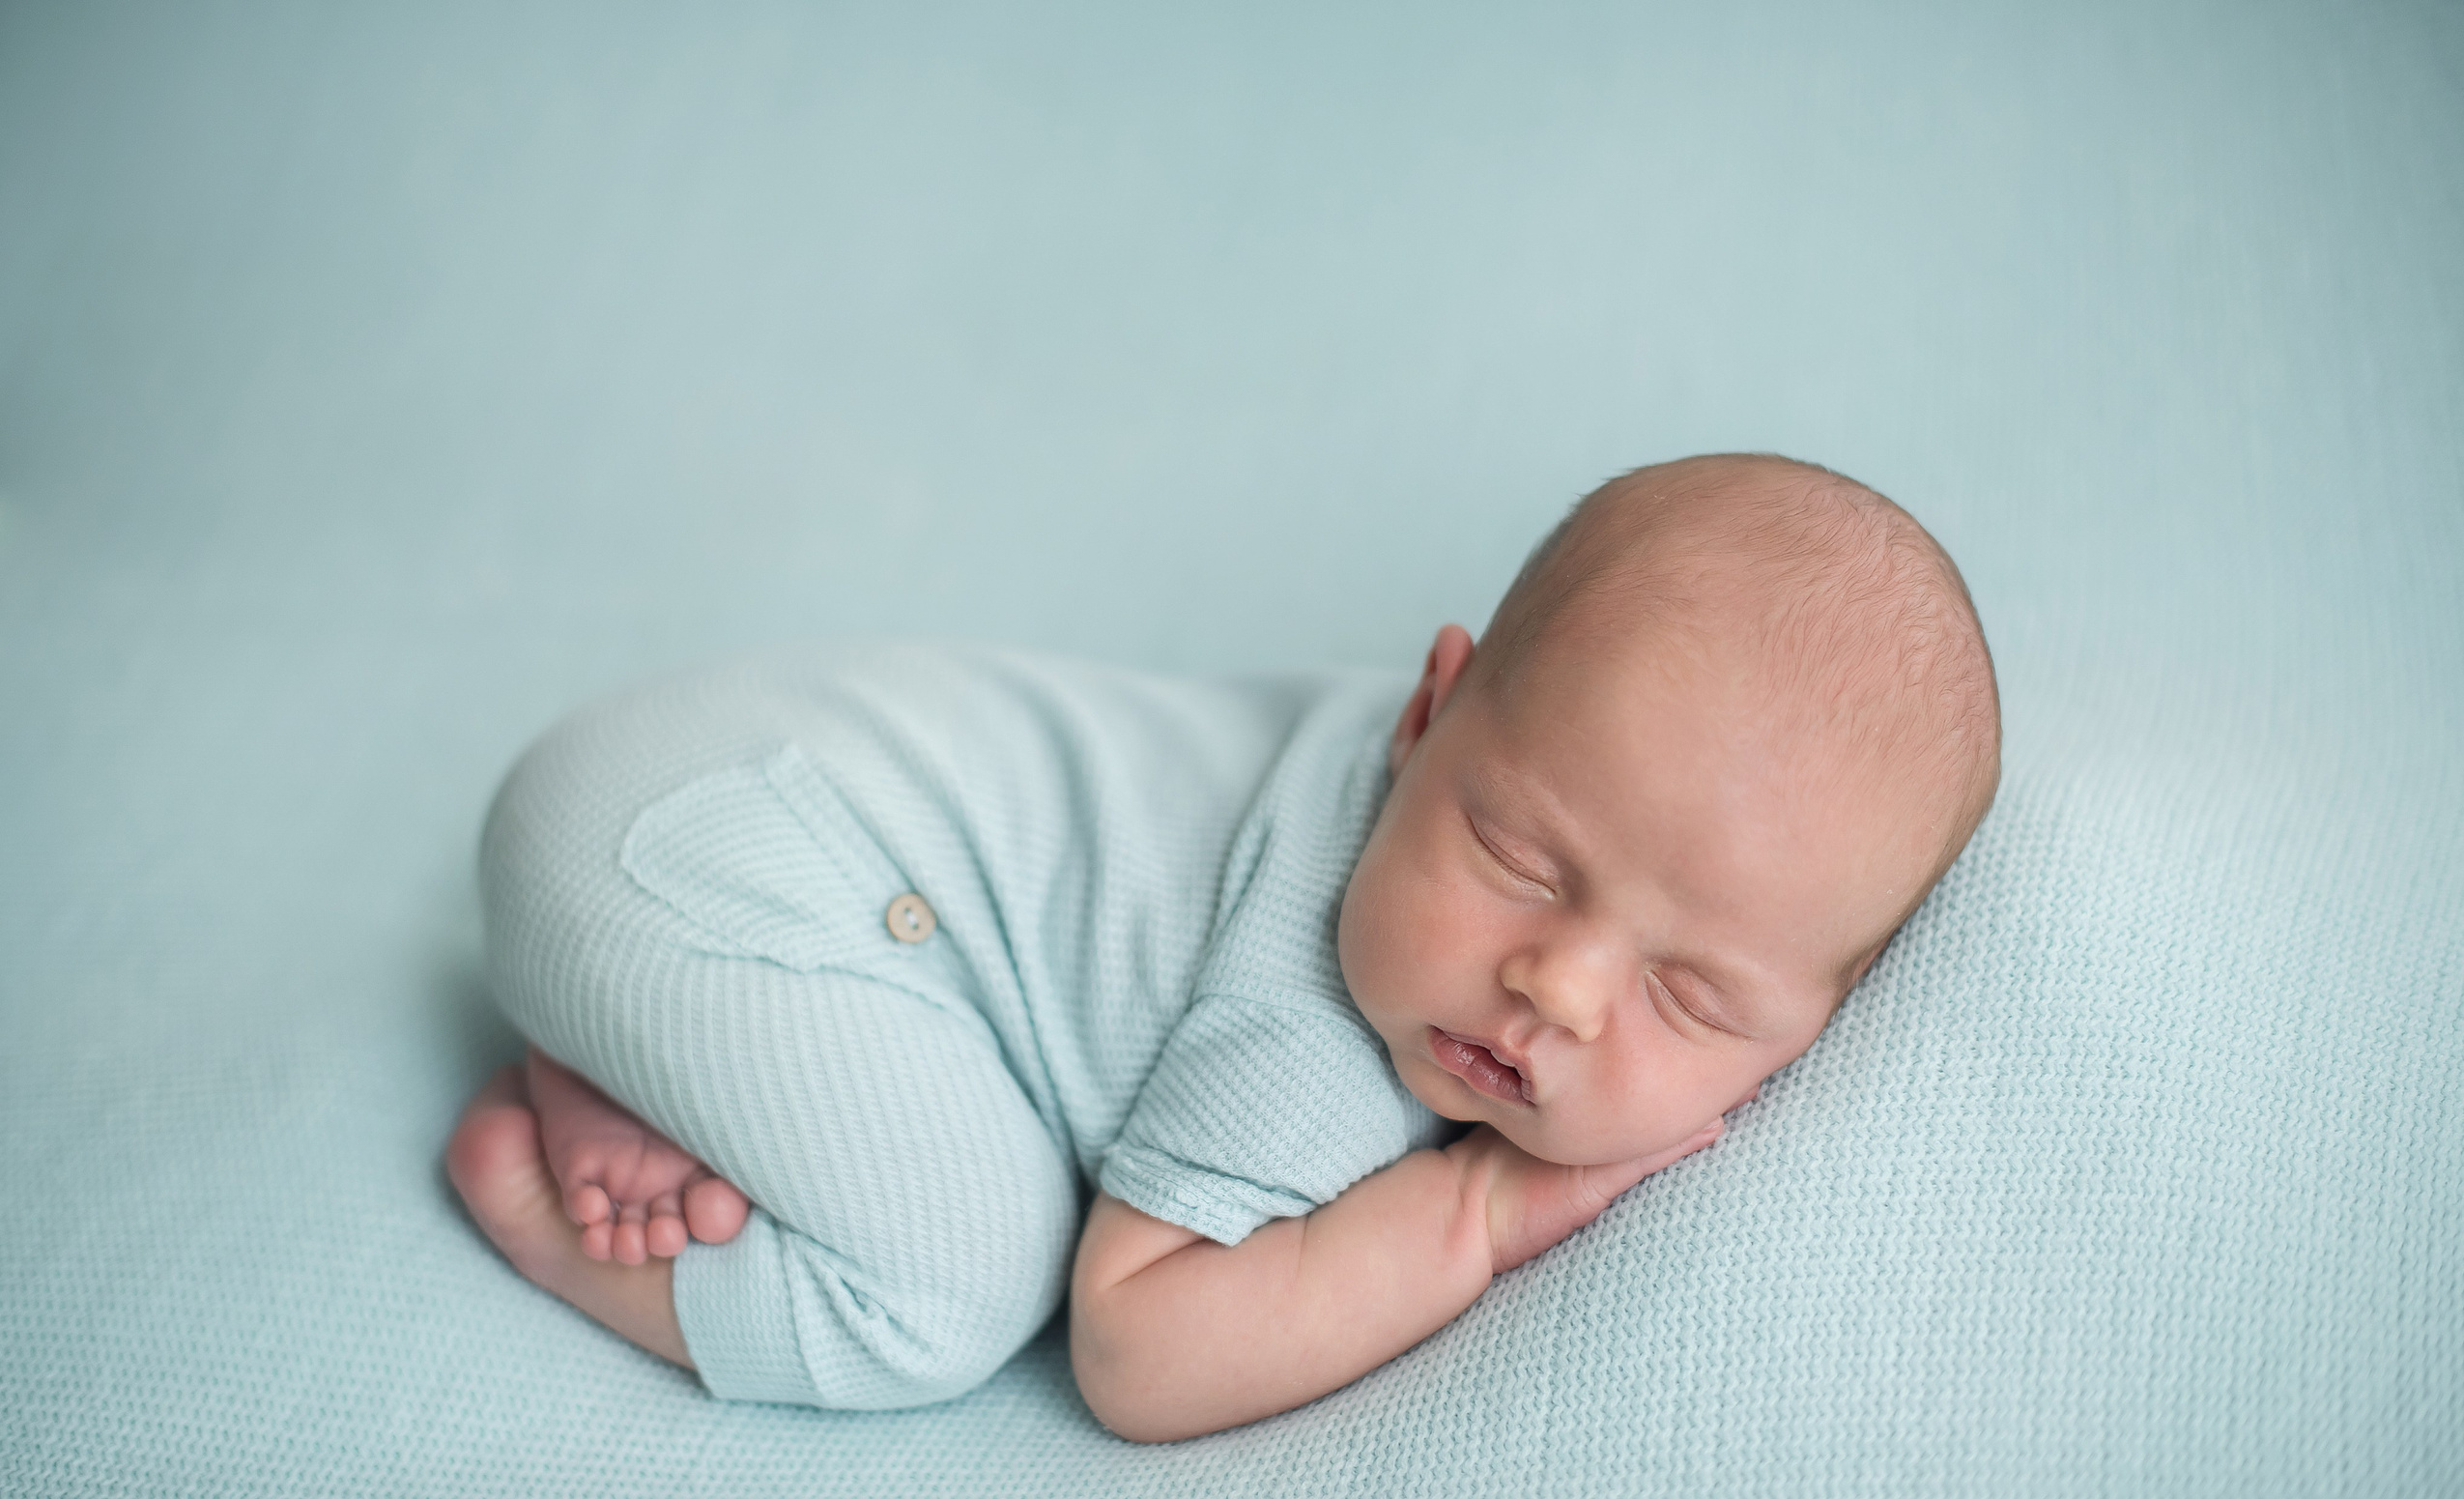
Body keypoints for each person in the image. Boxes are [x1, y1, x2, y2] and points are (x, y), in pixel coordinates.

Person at [445, 452, 2002, 1442]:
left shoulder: (1500, 760)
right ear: (1429, 712)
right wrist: (1472, 1211)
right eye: (1519, 858)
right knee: (955, 1289)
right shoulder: (1312, 1024)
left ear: (1808, 1030)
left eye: (1688, 993)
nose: (1560, 987)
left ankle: (648, 1048)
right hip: (700, 854)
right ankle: (544, 1183)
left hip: (710, 788)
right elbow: (1136, 1344)